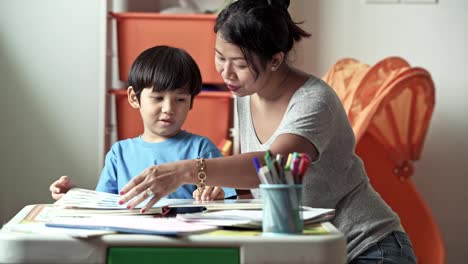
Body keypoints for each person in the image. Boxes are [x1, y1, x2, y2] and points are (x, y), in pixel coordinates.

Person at [118, 1, 416, 263]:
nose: (226, 73)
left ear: (275, 60)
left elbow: (274, 166)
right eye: (220, 57)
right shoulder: (245, 92)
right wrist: (222, 192)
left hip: (367, 248)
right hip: (310, 247)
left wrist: (185, 171)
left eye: (239, 64)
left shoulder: (314, 101)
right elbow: (262, 185)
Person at [49, 45, 237, 204]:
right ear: (133, 97)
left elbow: (229, 200)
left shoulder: (202, 149)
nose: (168, 108)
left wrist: (216, 196)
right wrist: (74, 196)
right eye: (158, 98)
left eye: (180, 99)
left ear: (191, 102)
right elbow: (103, 203)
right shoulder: (119, 153)